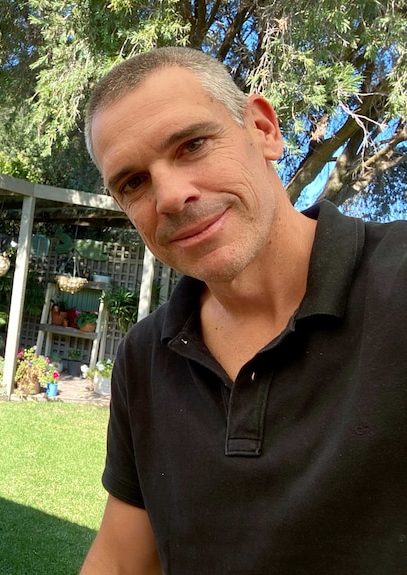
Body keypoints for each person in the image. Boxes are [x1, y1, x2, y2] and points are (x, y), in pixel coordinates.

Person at [80, 47, 407, 574]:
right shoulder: (146, 357)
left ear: (263, 129)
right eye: (133, 182)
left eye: (192, 145)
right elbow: (121, 560)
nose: (170, 195)